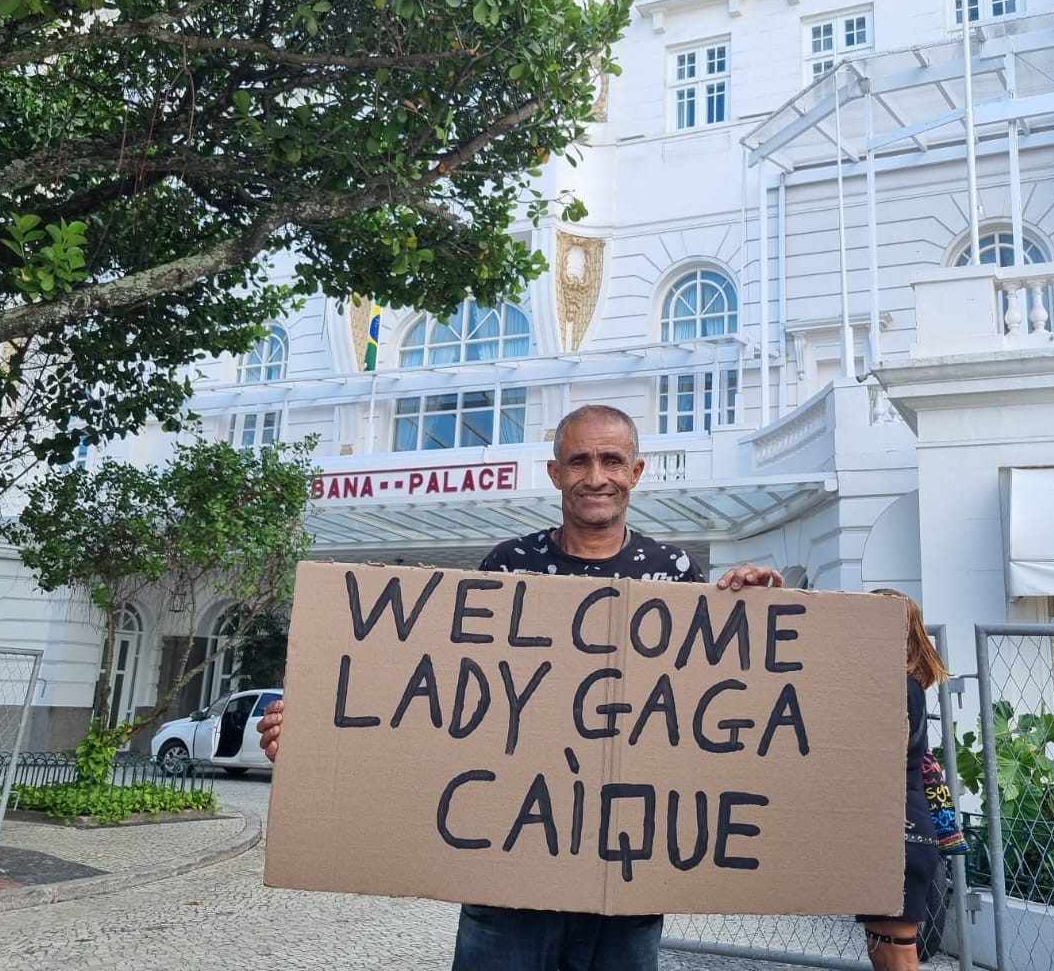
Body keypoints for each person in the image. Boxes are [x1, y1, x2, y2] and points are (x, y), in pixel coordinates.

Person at [256, 403, 782, 971]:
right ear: (556, 474)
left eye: (612, 460)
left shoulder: (674, 570)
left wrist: (756, 609)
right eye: (578, 461)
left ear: (636, 470)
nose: (596, 476)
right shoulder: (506, 568)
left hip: (625, 877)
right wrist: (318, 735)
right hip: (505, 882)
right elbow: (441, 700)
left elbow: (704, 710)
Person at [856, 588, 949, 971]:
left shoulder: (895, 687)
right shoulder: (899, 685)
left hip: (899, 834)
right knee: (885, 945)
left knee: (895, 948)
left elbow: (878, 757)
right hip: (899, 831)